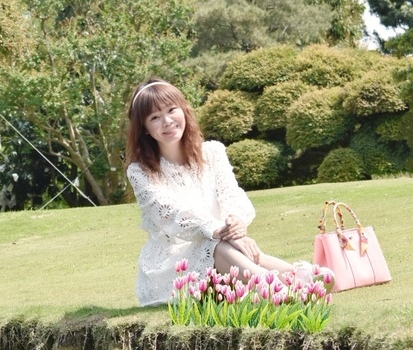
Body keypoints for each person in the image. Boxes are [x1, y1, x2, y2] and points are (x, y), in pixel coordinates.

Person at [126, 77, 295, 306]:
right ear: (144, 128)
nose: (167, 121)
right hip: (173, 264)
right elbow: (170, 213)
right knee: (215, 244)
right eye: (155, 118)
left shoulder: (212, 152)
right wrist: (217, 229)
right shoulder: (140, 172)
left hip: (227, 249)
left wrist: (235, 222)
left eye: (171, 110)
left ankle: (299, 279)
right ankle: (275, 290)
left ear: (184, 111)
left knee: (231, 246)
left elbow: (230, 194)